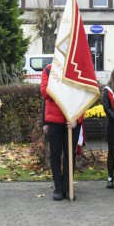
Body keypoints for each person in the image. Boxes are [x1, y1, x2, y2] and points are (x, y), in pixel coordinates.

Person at [40, 63, 82, 201]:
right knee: (55, 154)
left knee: (70, 154)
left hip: (73, 119)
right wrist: (62, 87)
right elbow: (45, 92)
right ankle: (58, 187)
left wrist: (77, 118)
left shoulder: (77, 68)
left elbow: (83, 96)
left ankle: (68, 187)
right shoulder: (49, 69)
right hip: (54, 120)